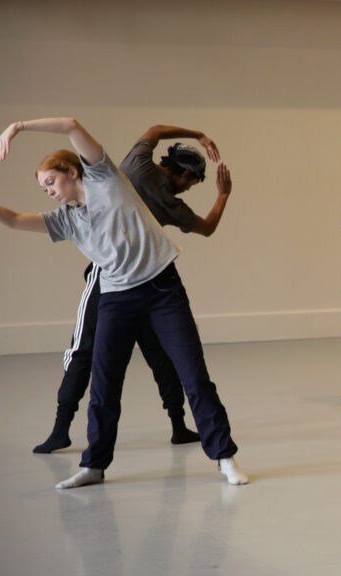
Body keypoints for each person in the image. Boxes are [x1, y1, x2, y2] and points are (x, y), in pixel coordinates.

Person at [0, 117, 248, 488]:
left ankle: (225, 458)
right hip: (116, 298)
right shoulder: (66, 220)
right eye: (43, 187)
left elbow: (70, 124)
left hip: (163, 291)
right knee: (105, 384)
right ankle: (94, 466)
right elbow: (16, 219)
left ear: (72, 171)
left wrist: (16, 127)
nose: (48, 191)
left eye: (51, 182)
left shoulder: (105, 178)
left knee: (194, 376)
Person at [33, 124, 230, 454]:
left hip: (144, 280)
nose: (188, 189)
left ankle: (177, 426)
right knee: (88, 351)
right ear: (183, 174)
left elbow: (154, 130)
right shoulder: (171, 204)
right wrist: (223, 194)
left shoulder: (137, 164)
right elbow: (208, 228)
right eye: (191, 182)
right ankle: (63, 428)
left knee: (149, 355)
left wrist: (198, 133)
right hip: (109, 279)